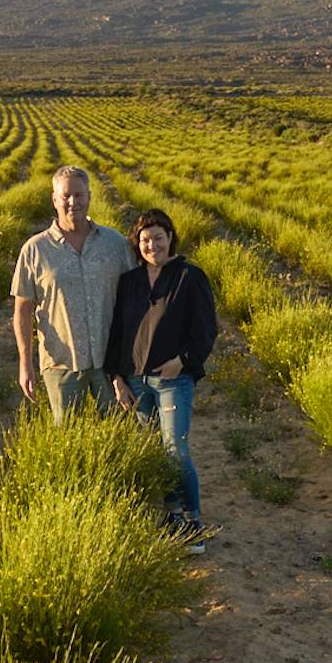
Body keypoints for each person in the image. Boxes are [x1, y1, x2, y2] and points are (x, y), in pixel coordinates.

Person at [107, 208, 218, 546]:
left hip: (172, 379)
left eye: (158, 237)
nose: (152, 244)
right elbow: (118, 332)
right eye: (145, 239)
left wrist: (182, 361)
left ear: (171, 239)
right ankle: (170, 516)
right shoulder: (130, 282)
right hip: (135, 379)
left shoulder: (189, 276)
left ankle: (192, 521)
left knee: (176, 449)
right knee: (155, 451)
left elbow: (206, 329)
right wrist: (117, 378)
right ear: (136, 244)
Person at [11, 166, 138, 421]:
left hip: (111, 364)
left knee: (119, 431)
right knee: (68, 435)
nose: (73, 202)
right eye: (66, 195)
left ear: (89, 196)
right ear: (55, 199)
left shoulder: (115, 244)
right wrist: (25, 364)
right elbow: (22, 311)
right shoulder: (35, 250)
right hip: (61, 362)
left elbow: (136, 299)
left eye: (79, 195)